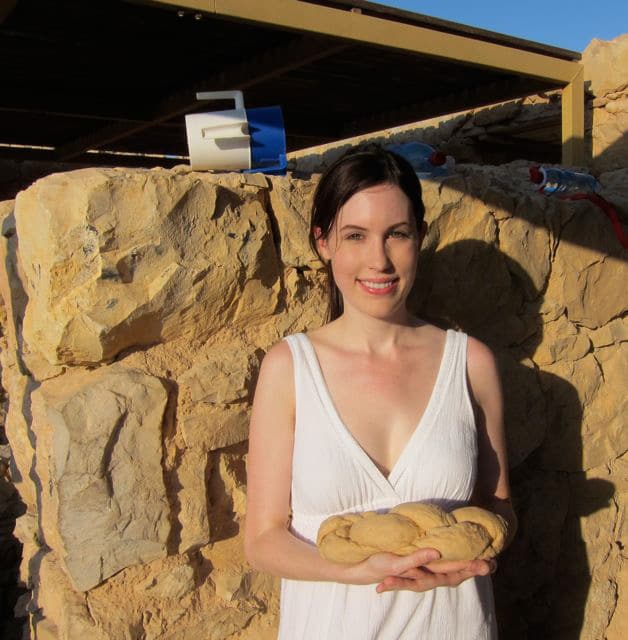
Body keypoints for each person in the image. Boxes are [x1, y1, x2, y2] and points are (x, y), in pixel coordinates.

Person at [244, 144, 516, 639]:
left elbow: (499, 511)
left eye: (397, 235)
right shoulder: (290, 368)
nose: (378, 260)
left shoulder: (470, 363)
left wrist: (475, 559)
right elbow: (262, 540)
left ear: (420, 238)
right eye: (355, 235)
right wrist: (354, 572)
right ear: (323, 242)